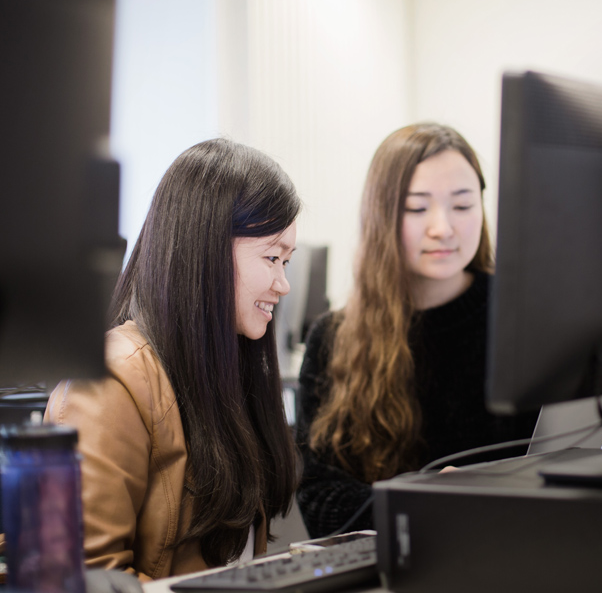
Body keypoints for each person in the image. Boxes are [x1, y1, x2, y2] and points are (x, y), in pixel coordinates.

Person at [44, 139, 302, 581]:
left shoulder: (228, 365)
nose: (283, 284)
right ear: (208, 252)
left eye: (287, 262)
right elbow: (84, 579)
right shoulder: (110, 382)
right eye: (272, 258)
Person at [296, 123, 538, 538]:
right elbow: (319, 498)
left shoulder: (526, 321)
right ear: (382, 214)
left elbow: (564, 460)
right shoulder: (333, 337)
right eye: (417, 208)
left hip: (510, 551)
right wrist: (417, 501)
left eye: (462, 206)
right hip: (392, 564)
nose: (443, 228)